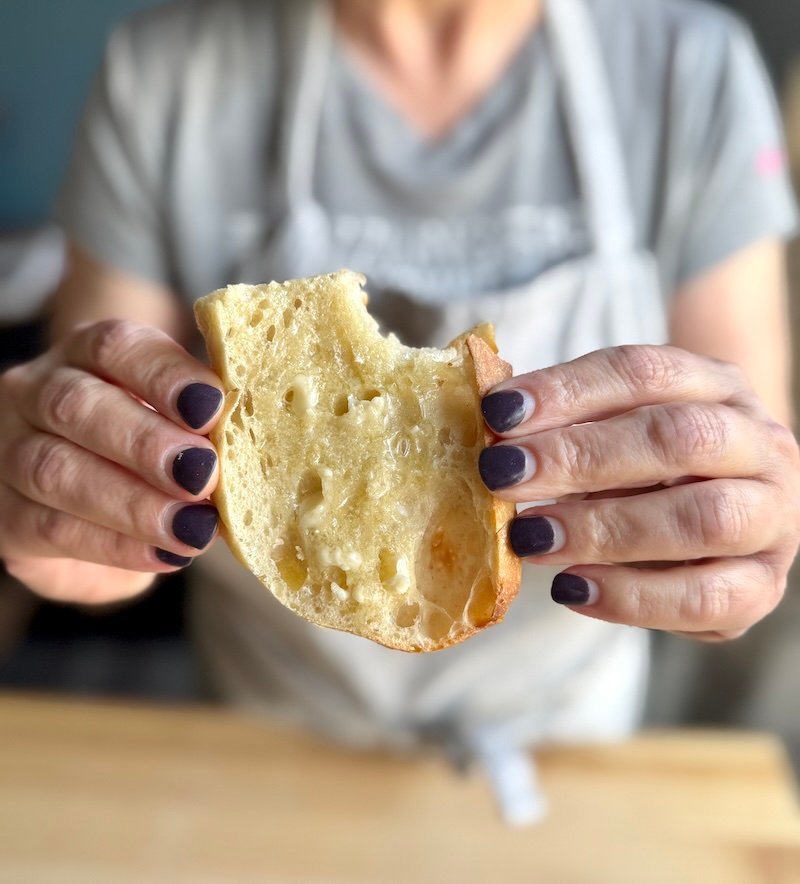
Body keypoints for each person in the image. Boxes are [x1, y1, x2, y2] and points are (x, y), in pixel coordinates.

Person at [1, 0, 798, 772]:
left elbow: (742, 468)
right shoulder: (163, 72)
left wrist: (729, 529)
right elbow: (110, 480)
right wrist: (70, 511)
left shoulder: (692, 69)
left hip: (563, 748)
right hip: (264, 740)